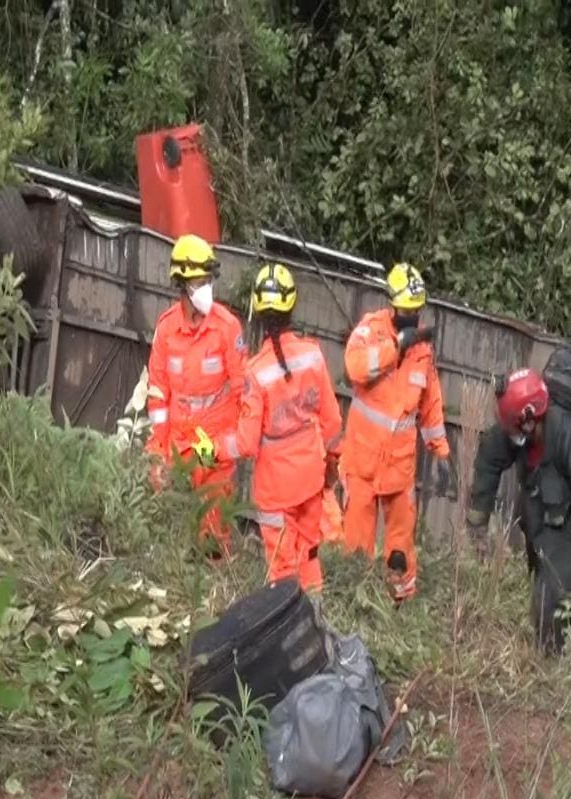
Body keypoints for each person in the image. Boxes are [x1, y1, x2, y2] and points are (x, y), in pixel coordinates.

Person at [466, 368, 571, 652]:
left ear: (529, 421)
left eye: (512, 428)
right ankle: (549, 644)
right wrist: (477, 523)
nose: (508, 433)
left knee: (555, 595)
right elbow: (489, 457)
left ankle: (563, 654)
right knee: (542, 587)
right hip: (538, 522)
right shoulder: (517, 428)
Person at [223, 263, 342, 592]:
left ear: (257, 312)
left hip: (276, 491)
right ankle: (315, 618)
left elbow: (245, 444)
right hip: (311, 478)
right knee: (310, 555)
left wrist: (208, 448)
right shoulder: (313, 357)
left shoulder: (256, 372)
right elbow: (332, 423)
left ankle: (289, 630)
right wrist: (332, 467)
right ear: (292, 307)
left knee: (282, 568)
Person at [340, 262, 452, 603]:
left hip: (399, 469)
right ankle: (352, 603)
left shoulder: (423, 353)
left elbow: (430, 405)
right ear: (393, 304)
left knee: (400, 550)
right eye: (408, 309)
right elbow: (354, 367)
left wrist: (441, 451)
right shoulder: (370, 331)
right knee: (355, 549)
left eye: (418, 310)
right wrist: (394, 348)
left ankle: (399, 607)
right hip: (361, 463)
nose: (413, 316)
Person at [145, 234, 246, 556]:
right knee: (168, 518)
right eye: (201, 280)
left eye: (208, 280)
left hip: (208, 440)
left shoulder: (226, 328)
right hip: (177, 440)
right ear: (184, 284)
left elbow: (244, 388)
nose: (207, 288)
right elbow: (158, 393)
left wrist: (236, 440)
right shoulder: (166, 329)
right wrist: (157, 449)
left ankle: (212, 577)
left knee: (212, 517)